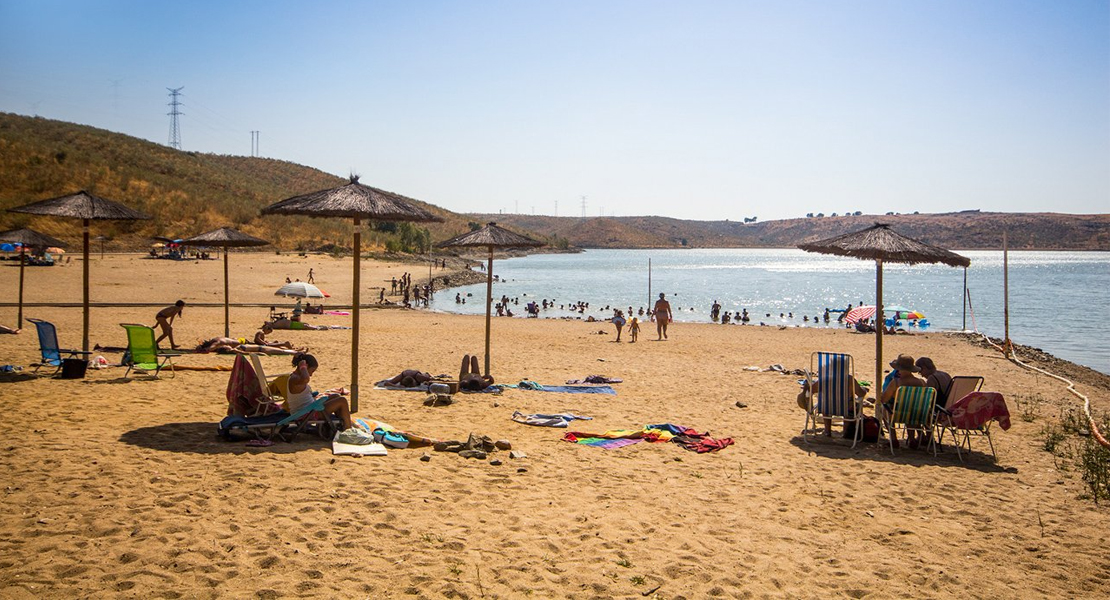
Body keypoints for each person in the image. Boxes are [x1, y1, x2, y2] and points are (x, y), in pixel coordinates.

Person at [287, 353, 354, 431]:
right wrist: (303, 366)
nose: (311, 374)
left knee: (335, 396)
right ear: (306, 367)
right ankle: (348, 429)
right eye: (311, 371)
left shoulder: (296, 377)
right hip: (305, 414)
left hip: (309, 409)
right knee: (342, 401)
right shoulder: (295, 379)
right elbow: (306, 379)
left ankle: (341, 425)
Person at [880, 354, 926, 449]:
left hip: (897, 415)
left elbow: (884, 399)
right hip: (916, 415)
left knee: (884, 409)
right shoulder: (921, 382)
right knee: (910, 408)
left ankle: (893, 439)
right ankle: (912, 439)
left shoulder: (896, 382)